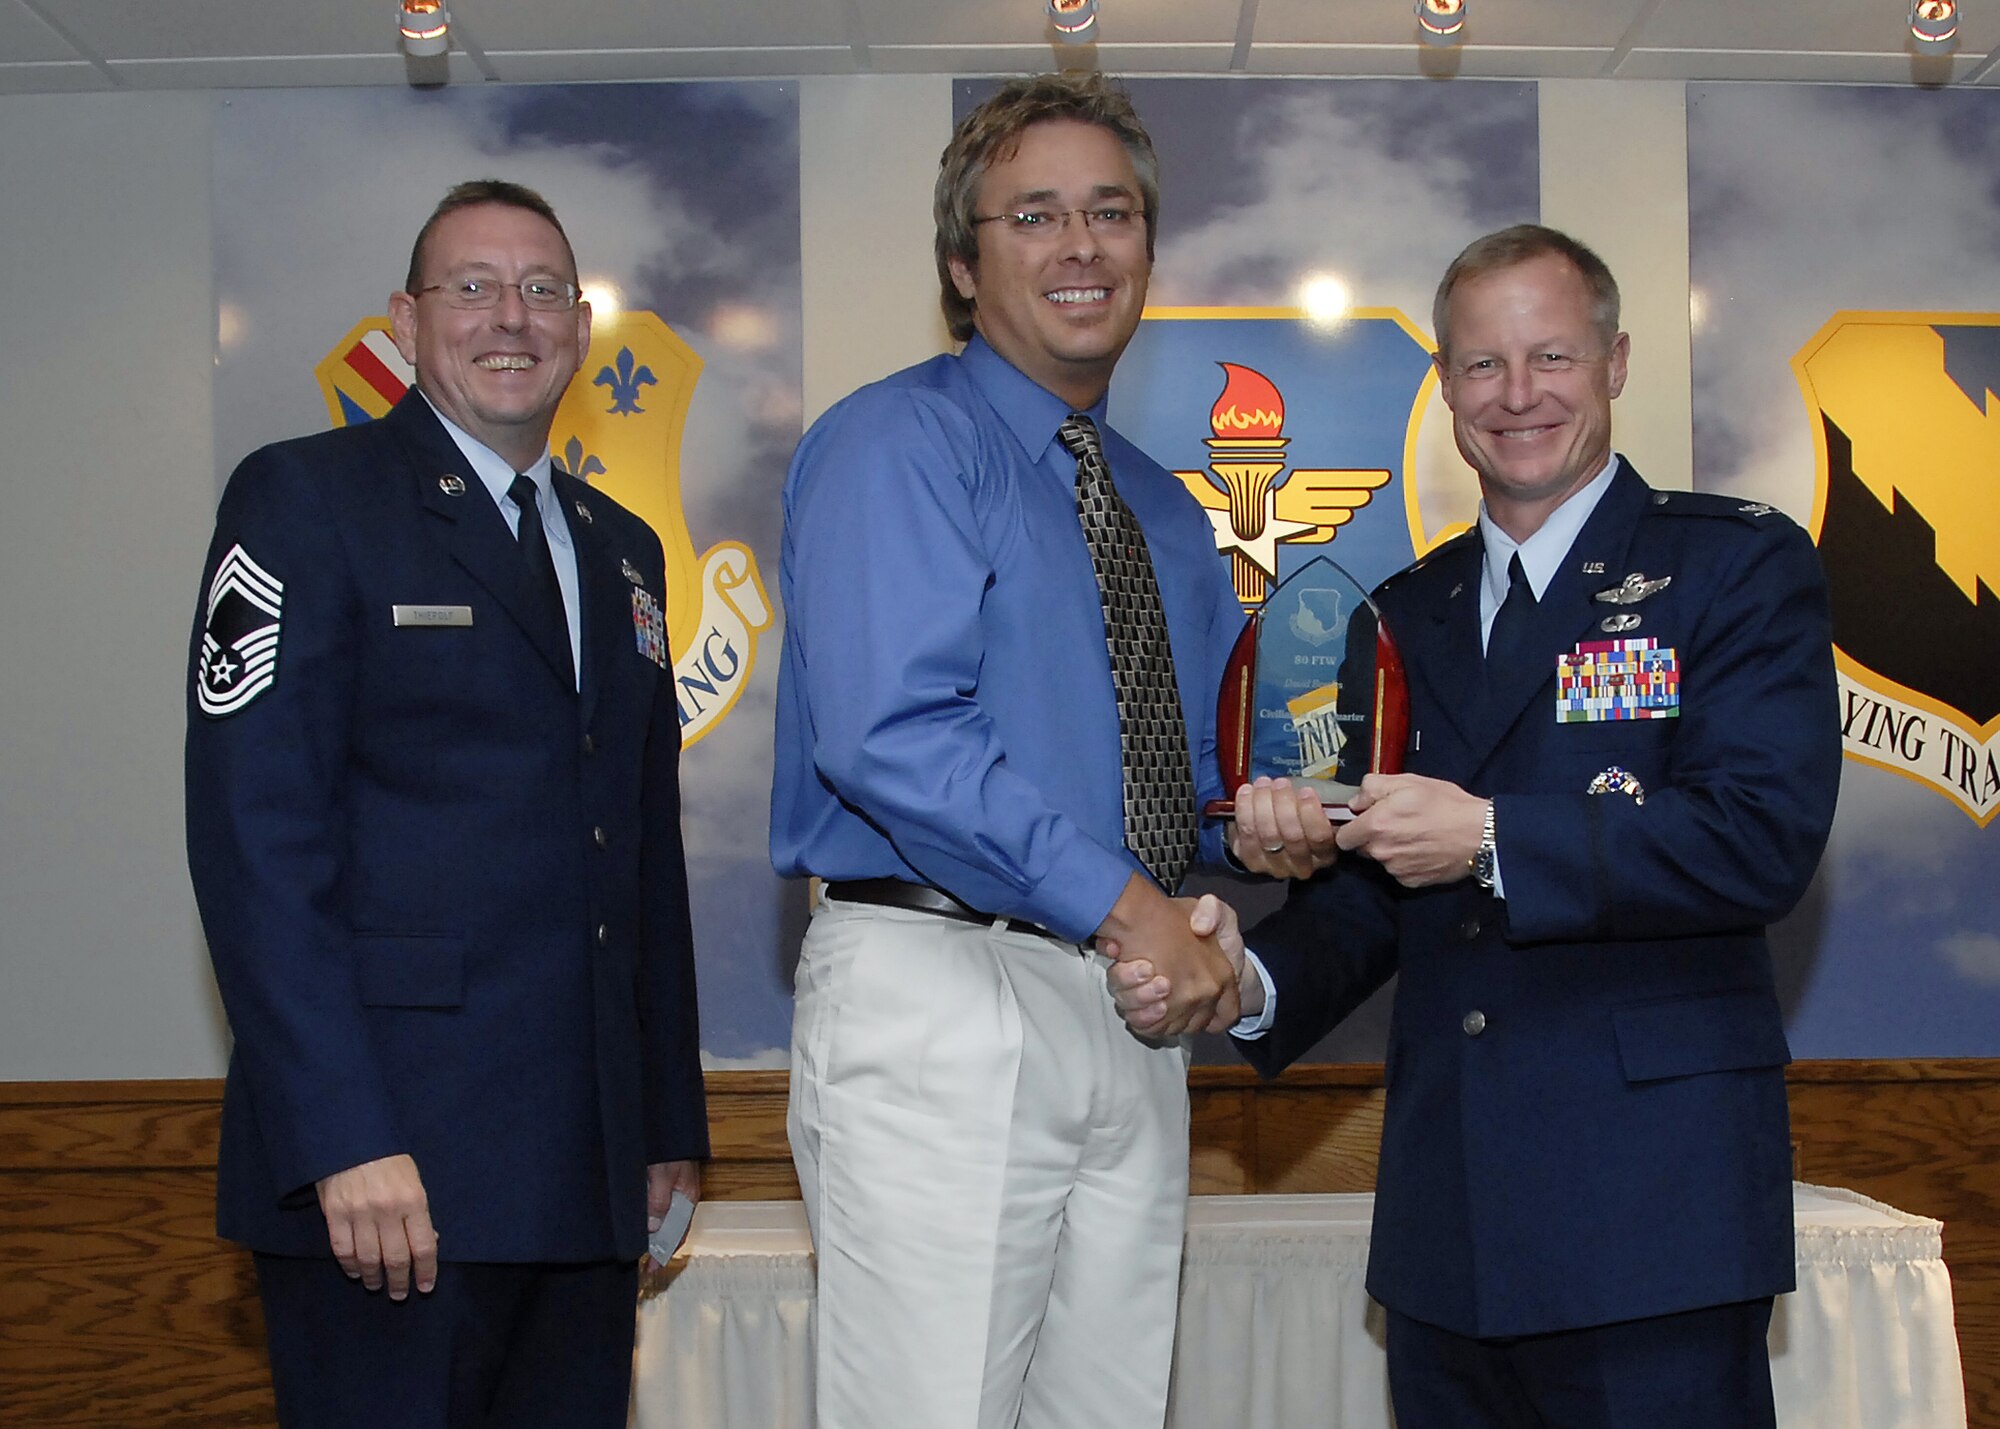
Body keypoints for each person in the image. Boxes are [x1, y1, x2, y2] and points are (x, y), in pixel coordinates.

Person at [1115, 224, 1842, 1426]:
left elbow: (1755, 836)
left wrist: (1496, 836)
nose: (1515, 397)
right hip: (1449, 1217)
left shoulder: (1731, 567)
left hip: (1653, 1217)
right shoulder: (1406, 611)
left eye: (1548, 357)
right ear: (1445, 384)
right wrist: (1239, 976)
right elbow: (1373, 890)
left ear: (1613, 362)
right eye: (1480, 366)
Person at [185, 179, 707, 1429]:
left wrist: (662, 1123)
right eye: (469, 287)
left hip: (581, 1178)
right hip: (387, 1173)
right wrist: (338, 1138)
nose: (508, 317)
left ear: (580, 328)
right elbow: (257, 845)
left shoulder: (621, 545)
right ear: (403, 326)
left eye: (540, 291)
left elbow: (637, 857)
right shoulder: (307, 501)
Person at [769, 72, 1247, 1429]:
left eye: (1112, 211)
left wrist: (1259, 834)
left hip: (1128, 1008)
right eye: (1033, 213)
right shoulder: (898, 443)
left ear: (1150, 249)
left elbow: (1182, 786)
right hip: (941, 994)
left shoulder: (1158, 508)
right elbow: (893, 737)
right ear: (959, 262)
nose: (1081, 245)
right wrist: (1133, 901)